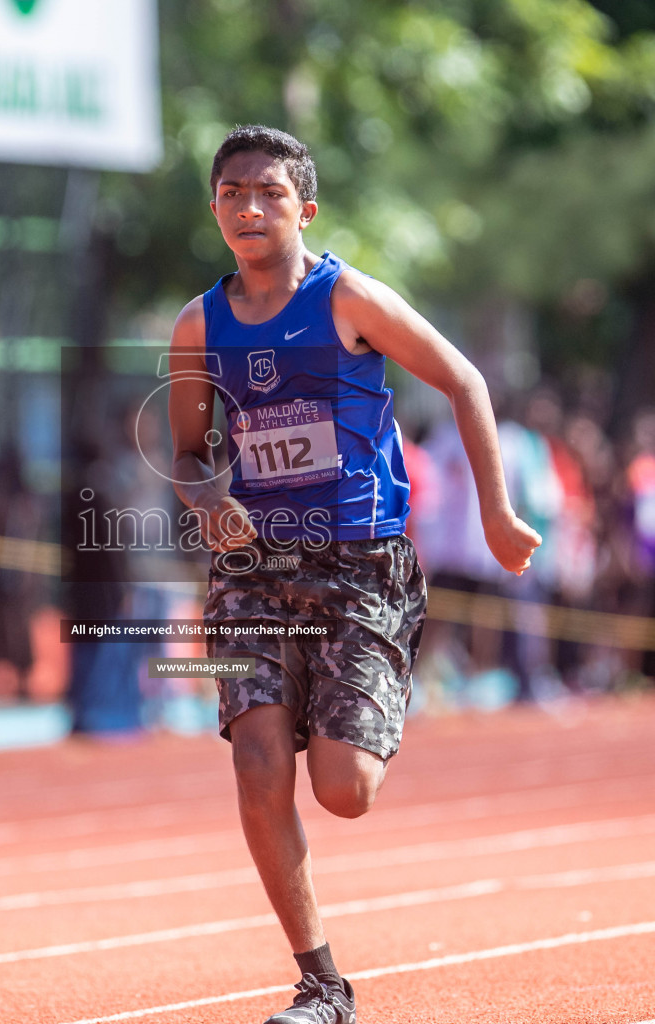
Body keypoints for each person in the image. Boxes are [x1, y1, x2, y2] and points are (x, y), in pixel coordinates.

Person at [166, 126, 539, 1024]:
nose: (250, 209)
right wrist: (207, 498)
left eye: (269, 193)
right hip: (254, 569)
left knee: (344, 792)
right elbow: (184, 449)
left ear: (306, 207)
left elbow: (465, 381)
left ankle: (374, 693)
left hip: (361, 566)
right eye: (232, 195)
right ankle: (321, 983)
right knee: (257, 759)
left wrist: (495, 511)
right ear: (214, 209)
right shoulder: (198, 323)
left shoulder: (349, 298)